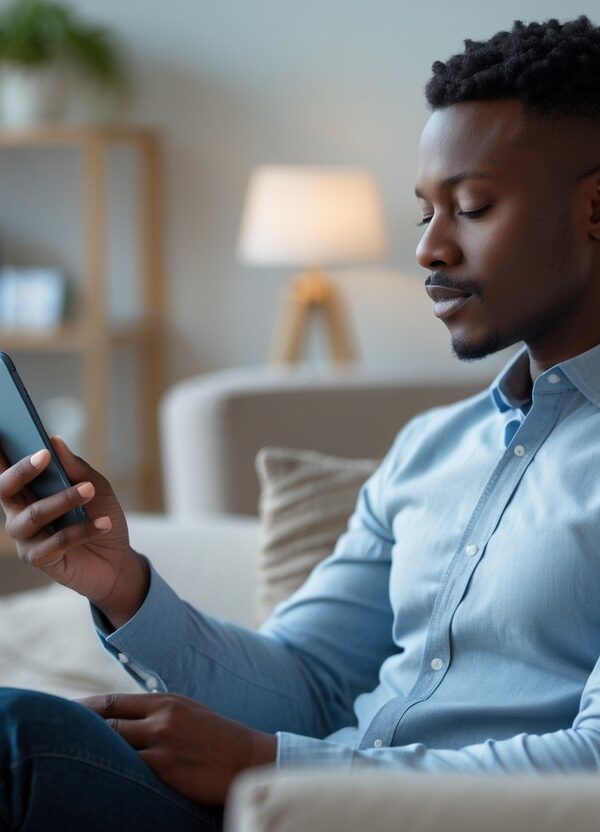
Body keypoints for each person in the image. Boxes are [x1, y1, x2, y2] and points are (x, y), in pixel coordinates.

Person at [1, 13, 600, 831]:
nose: (429, 248)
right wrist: (121, 583)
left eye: (471, 207)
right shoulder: (433, 450)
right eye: (424, 211)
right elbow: (310, 684)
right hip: (285, 808)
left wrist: (273, 766)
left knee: (18, 738)